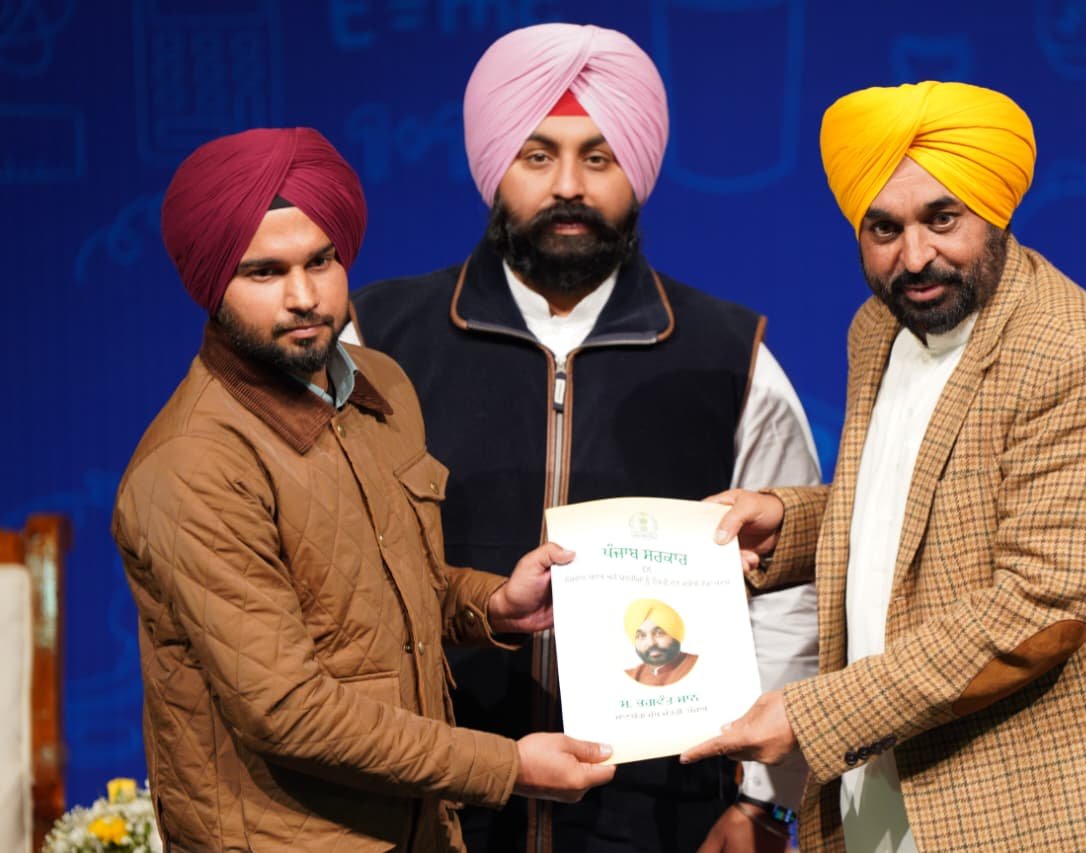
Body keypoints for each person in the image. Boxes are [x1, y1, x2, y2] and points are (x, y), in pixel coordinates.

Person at [682, 81, 1086, 851]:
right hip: (888, 799)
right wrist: (790, 522)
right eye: (885, 227)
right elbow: (923, 501)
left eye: (943, 219)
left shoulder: (1071, 353)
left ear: (994, 210)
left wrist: (813, 715)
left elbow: (1037, 613)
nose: (915, 257)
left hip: (1050, 817)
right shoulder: (880, 328)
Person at [346, 22, 820, 853]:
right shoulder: (378, 343)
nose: (568, 185)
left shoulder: (731, 358)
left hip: (664, 821)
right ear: (494, 165)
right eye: (538, 155)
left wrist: (761, 801)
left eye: (598, 157)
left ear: (637, 170)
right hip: (430, 810)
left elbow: (790, 596)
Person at [112, 127, 616, 852]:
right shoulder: (194, 464)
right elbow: (287, 708)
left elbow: (378, 595)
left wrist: (494, 604)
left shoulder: (382, 385)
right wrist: (506, 766)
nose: (304, 297)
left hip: (421, 828)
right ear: (212, 285)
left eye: (321, 261)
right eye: (264, 273)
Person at [624, 599, 698, 686]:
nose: (651, 643)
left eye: (659, 633)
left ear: (676, 634)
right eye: (641, 636)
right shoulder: (631, 676)